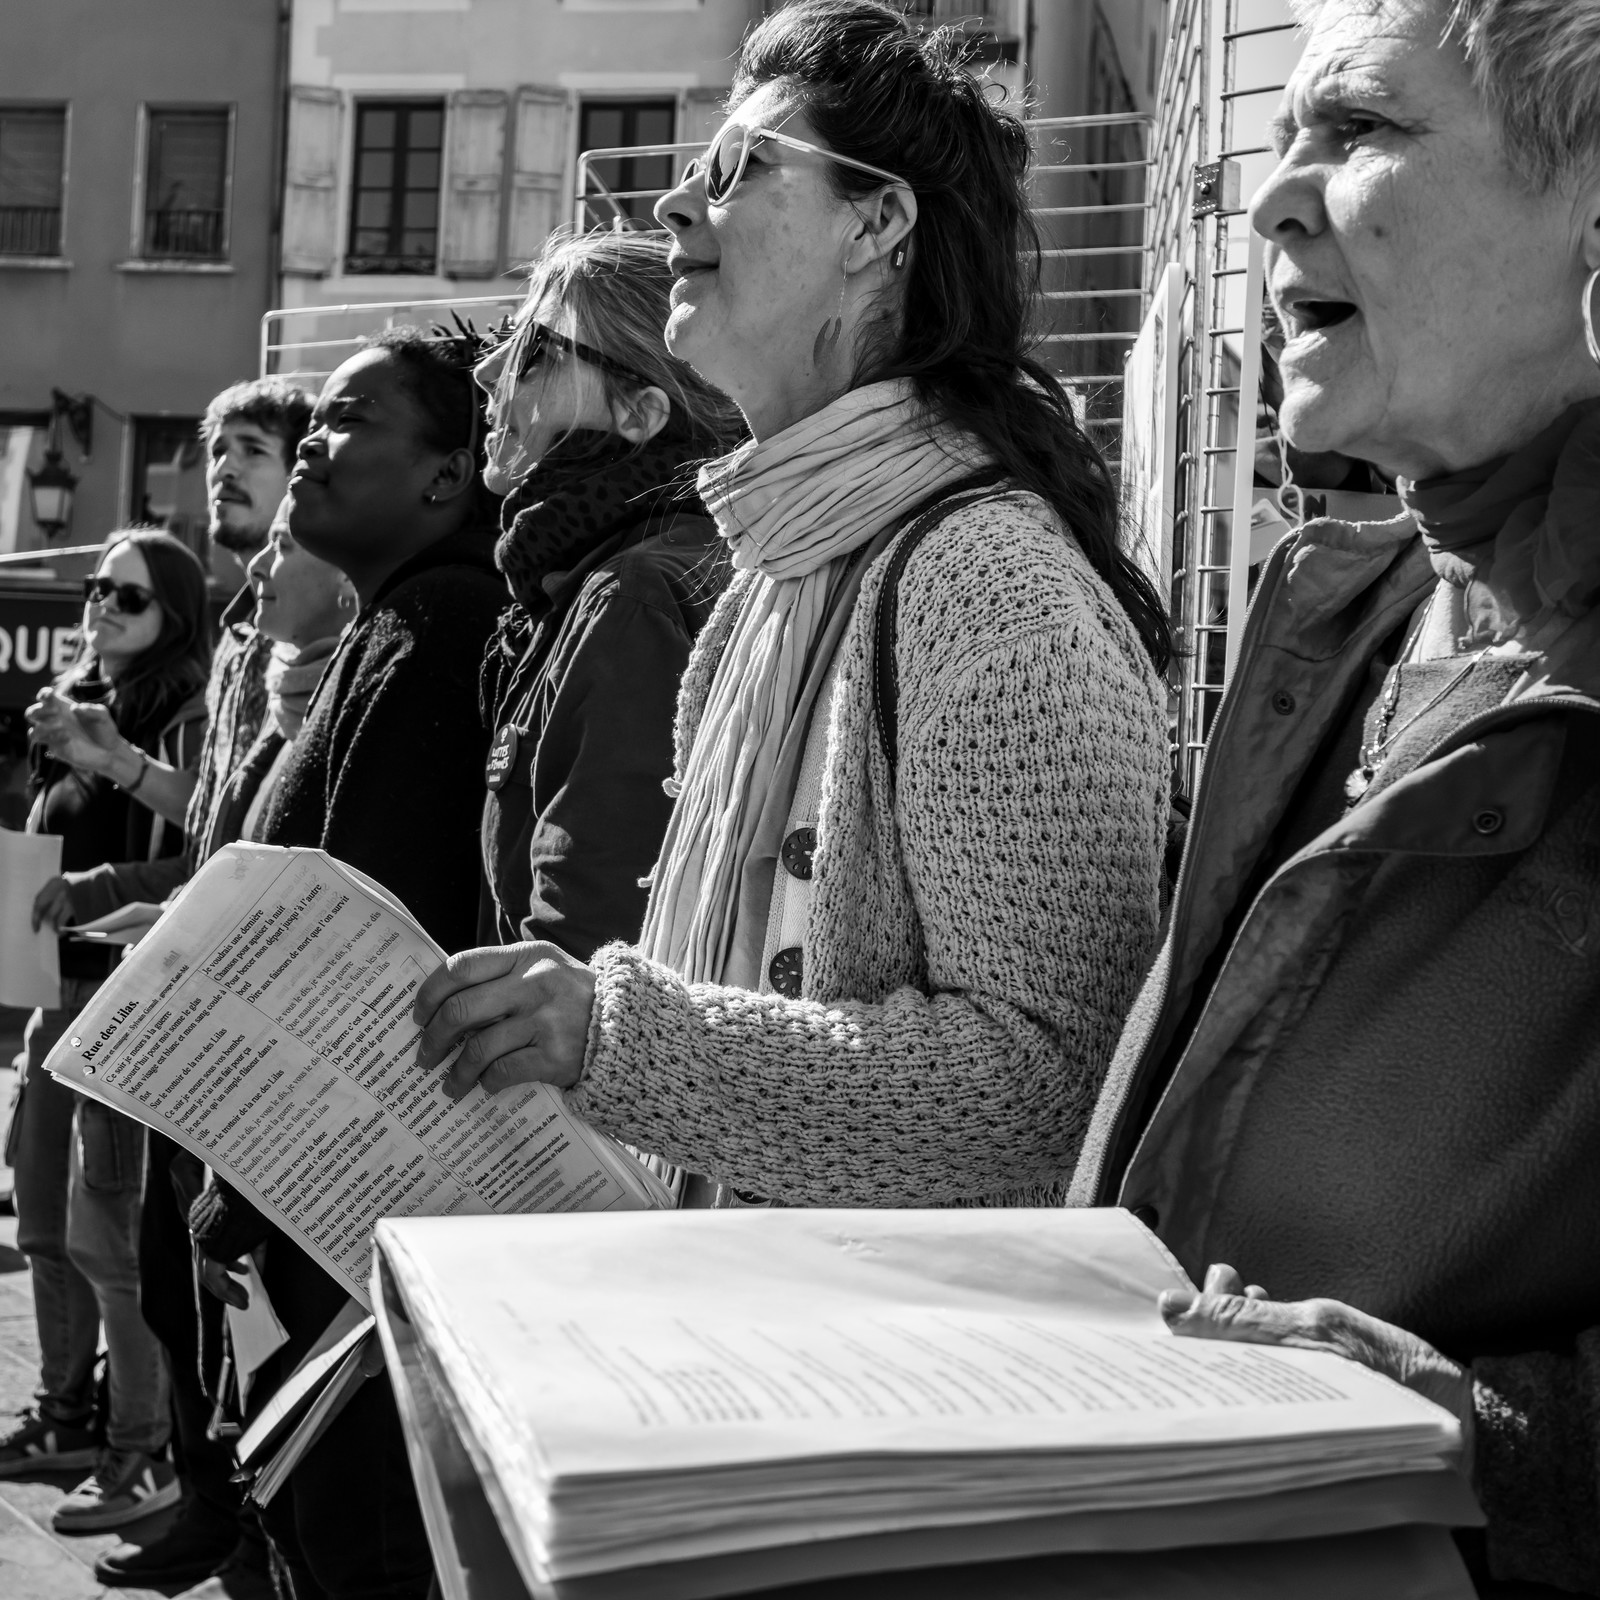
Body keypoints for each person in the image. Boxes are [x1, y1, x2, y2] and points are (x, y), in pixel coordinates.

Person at [414, 0, 1172, 1211]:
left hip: (879, 1379)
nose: (672, 205)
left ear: (878, 223)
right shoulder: (760, 590)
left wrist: (619, 1040)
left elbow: (1051, 1089)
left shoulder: (991, 589)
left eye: (737, 168)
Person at [1062, 0, 1600, 1592]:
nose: (1275, 195)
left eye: (1359, 128)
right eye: (1281, 134)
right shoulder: (1337, 611)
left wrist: (1496, 1439)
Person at [190, 328, 506, 1600]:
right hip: (311, 1216)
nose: (313, 443)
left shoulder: (436, 623)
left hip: (345, 1219)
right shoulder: (395, 624)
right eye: (310, 419)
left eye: (348, 420)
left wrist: (243, 1199)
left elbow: (354, 960)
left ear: (447, 474)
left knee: (354, 1544)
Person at [37, 379, 313, 1597]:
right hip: (147, 996)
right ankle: (211, 1502)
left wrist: (128, 866)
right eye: (215, 451)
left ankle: (204, 1494)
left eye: (254, 450)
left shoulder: (331, 615)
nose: (225, 471)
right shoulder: (260, 622)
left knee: (197, 1271)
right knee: (148, 1257)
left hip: (251, 1027)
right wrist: (121, 777)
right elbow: (221, 829)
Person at [3, 530, 210, 1535]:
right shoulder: (77, 709)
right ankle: (67, 1416)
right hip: (54, 991)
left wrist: (98, 886)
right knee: (42, 1222)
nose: (101, 607)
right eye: (95, 590)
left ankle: (141, 1450)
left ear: (175, 610)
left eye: (127, 595)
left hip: (125, 1003)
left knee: (108, 1244)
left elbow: (199, 864)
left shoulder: (180, 718)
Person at [472, 226, 744, 960]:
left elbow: (579, 958)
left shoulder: (631, 594)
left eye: (533, 351)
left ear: (639, 414)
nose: (488, 370)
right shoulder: (595, 577)